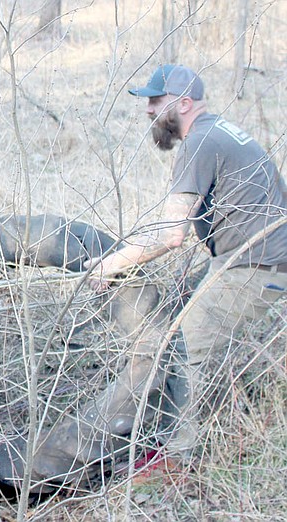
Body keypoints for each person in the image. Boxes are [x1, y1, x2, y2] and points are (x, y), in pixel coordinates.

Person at [89, 64, 287, 461]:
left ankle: (178, 459)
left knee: (183, 344)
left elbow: (171, 234)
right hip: (254, 257)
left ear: (183, 103)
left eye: (155, 101)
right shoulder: (220, 131)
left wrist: (109, 265)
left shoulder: (200, 142)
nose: (148, 110)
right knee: (175, 312)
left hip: (255, 266)